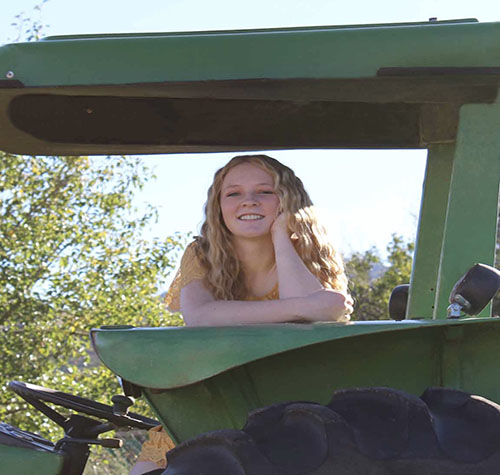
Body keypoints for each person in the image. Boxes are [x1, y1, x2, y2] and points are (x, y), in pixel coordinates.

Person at [130, 154, 353, 474]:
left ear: (287, 201)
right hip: (214, 399)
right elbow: (201, 316)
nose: (249, 201)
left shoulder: (311, 255)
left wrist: (281, 236)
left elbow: (313, 324)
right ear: (218, 207)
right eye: (233, 193)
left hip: (294, 401)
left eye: (265, 191)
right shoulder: (201, 253)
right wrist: (302, 308)